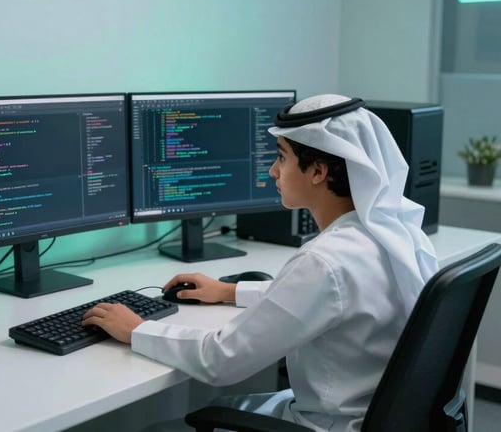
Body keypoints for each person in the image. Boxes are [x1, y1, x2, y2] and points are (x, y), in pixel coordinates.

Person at [82, 94, 439, 431]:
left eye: (281, 157)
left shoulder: (324, 261)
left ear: (317, 171)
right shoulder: (393, 233)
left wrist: (137, 330)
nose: (272, 171)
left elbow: (221, 360)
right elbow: (336, 297)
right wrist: (230, 290)